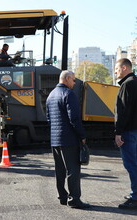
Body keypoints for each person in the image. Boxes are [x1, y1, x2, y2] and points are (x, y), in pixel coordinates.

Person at [46, 70, 90, 209]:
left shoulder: (51, 95)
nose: (75, 83)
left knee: (59, 170)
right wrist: (82, 136)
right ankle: (74, 199)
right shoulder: (69, 94)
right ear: (67, 79)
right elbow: (75, 119)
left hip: (55, 140)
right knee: (73, 170)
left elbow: (49, 119)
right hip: (69, 140)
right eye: (74, 80)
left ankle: (63, 197)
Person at [114, 58, 137, 209]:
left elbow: (123, 111)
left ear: (124, 68)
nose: (115, 71)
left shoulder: (127, 85)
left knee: (131, 164)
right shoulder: (135, 82)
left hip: (129, 132)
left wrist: (118, 132)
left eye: (116, 68)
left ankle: (135, 197)